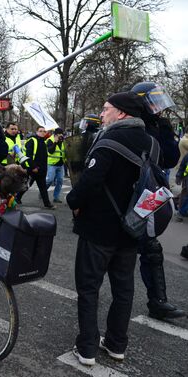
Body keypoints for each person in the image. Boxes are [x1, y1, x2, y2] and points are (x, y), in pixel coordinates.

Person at [67, 91, 152, 366]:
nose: (102, 114)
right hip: (132, 229)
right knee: (124, 289)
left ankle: (88, 348)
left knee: (89, 287)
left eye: (106, 109)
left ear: (122, 113)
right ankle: (117, 344)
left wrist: (72, 201)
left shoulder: (110, 139)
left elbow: (89, 181)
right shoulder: (152, 143)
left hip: (98, 229)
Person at [131, 81, 185, 320]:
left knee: (150, 246)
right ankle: (88, 294)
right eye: (153, 102)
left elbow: (171, 159)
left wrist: (164, 128)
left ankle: (158, 301)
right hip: (129, 192)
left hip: (151, 192)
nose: (159, 108)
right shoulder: (133, 126)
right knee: (111, 250)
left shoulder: (157, 125)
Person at [16, 125, 55, 209]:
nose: (42, 132)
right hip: (33, 169)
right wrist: (33, 167)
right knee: (27, 186)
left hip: (41, 170)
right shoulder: (32, 140)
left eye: (44, 131)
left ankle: (47, 203)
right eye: (40, 131)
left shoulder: (43, 142)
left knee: (42, 187)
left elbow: (43, 157)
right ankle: (17, 198)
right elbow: (28, 155)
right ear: (36, 132)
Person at [46, 127, 66, 203]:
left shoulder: (63, 140)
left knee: (60, 181)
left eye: (61, 134)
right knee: (50, 180)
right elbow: (50, 151)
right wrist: (55, 142)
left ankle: (56, 197)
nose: (60, 136)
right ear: (55, 134)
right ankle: (43, 191)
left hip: (61, 164)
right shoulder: (50, 140)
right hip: (52, 164)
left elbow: (64, 151)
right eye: (59, 134)